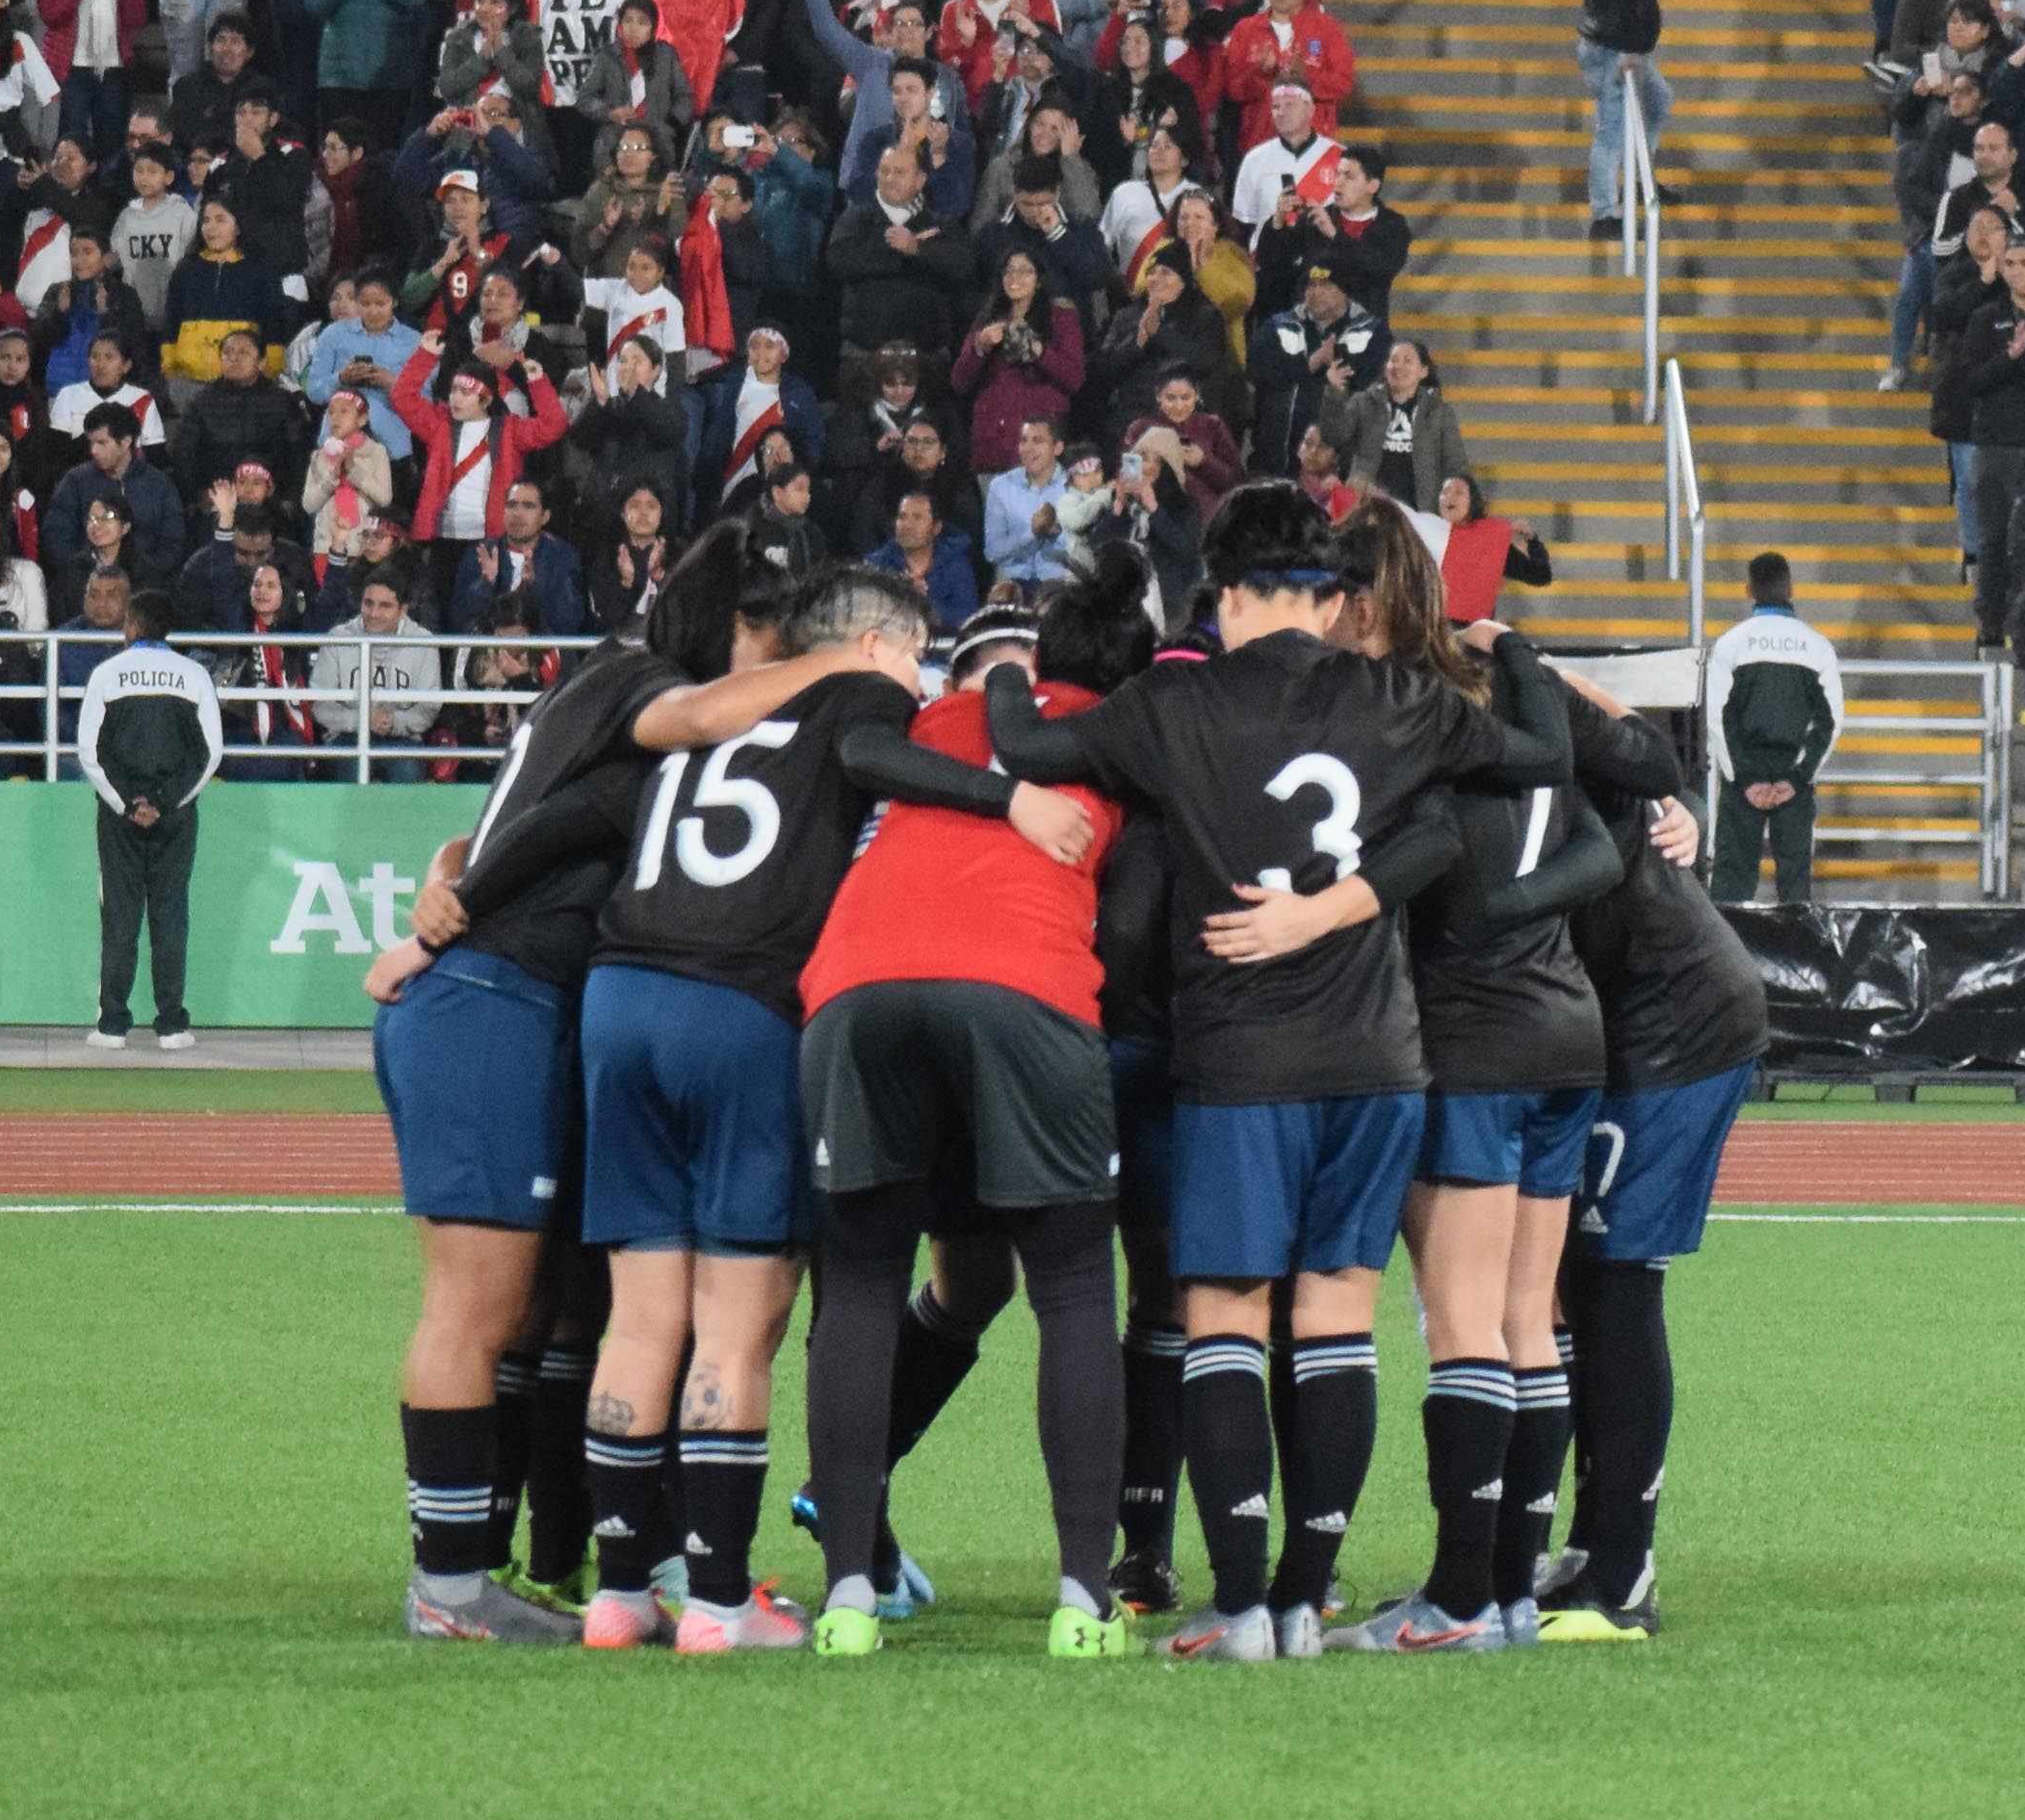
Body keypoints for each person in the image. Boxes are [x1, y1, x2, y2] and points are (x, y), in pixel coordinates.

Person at [979, 482, 1571, 1661]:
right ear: (1332, 597)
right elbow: (1542, 754)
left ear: (1228, 593)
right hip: (1378, 1059)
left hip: (1240, 1058)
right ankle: (1303, 1599)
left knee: (1224, 1319)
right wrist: (1514, 651)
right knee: (1336, 1318)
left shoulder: (1177, 699)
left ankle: (1241, 1603)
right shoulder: (1403, 698)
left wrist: (1002, 664)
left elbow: (1027, 746)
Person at [354, 522, 835, 1641]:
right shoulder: (644, 681)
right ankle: (447, 1586)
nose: (774, 670)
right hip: (494, 1000)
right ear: (733, 625)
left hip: (514, 998)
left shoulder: (591, 686)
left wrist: (445, 880)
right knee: (473, 1308)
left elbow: (498, 832)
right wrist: (848, 667)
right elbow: (699, 716)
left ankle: (550, 1562)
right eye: (771, 641)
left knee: (544, 1305)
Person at [570, 563, 1000, 1656]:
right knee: (737, 1321)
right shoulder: (859, 698)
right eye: (916, 654)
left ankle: (619, 1594)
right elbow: (878, 762)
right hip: (741, 1008)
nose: (921, 678)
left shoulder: (712, 707)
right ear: (871, 643)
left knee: (640, 1317)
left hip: (619, 997)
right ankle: (719, 1604)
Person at [790, 574, 1144, 1660]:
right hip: (1024, 982)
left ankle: (848, 1598)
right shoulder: (1121, 733)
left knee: (860, 1283)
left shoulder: (921, 721)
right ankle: (1084, 1601)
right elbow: (1136, 920)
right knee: (1073, 1287)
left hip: (856, 980)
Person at [1332, 499, 1610, 1656]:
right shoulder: (1504, 699)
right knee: (1524, 1322)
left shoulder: (1405, 717)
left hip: (1473, 1041)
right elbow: (1597, 836)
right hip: (1566, 1033)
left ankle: (1454, 1600)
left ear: (1361, 604)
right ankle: (1505, 1595)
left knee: (1461, 1326)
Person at [1540, 663, 1762, 1642]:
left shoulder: (1491, 677)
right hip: (1622, 1009)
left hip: (1669, 1019)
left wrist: (1670, 799)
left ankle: (1622, 1571)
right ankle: (1592, 1549)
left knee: (1617, 1281)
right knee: (1584, 1285)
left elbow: (1616, 727)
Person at [77, 588, 225, 1049]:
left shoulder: (107, 674)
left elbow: (89, 751)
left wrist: (128, 803)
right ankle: (172, 1025)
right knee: (169, 914)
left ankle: (113, 1025)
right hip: (175, 815)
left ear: (132, 625)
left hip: (119, 817)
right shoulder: (194, 675)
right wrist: (165, 801)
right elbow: (209, 753)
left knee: (120, 915)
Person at [1701, 551, 1845, 904]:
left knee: (1732, 886)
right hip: (1792, 778)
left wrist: (1745, 779)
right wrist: (1798, 777)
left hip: (1743, 775)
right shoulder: (1817, 647)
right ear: (1790, 588)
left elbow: (1717, 717)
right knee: (1795, 890)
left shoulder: (1730, 644)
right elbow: (1830, 722)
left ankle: (1731, 941)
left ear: (1748, 589)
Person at [1576, 0, 1669, 235]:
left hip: (1609, 43)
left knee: (1659, 101)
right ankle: (1603, 214)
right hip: (1615, 51)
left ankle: (1638, 179)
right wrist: (1634, 49)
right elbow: (1632, 2)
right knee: (1611, 131)